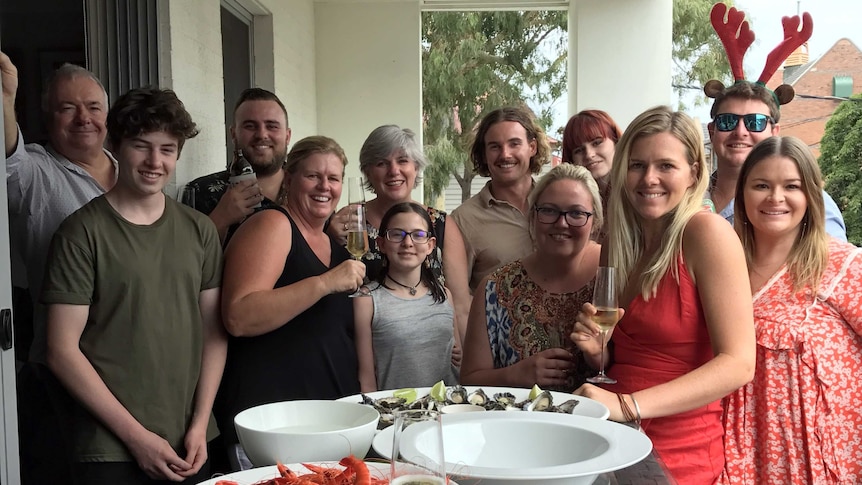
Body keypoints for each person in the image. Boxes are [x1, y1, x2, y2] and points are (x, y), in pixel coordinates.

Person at [42, 86, 226, 484]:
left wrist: (200, 423)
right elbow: (61, 350)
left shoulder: (200, 231)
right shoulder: (80, 233)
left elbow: (213, 334)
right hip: (109, 448)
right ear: (116, 145)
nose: (155, 161)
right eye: (142, 146)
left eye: (168, 149)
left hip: (191, 443)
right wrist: (137, 438)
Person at [571, 106, 755, 484]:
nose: (649, 178)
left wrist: (627, 405)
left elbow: (738, 363)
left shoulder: (708, 235)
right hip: (613, 439)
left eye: (666, 166)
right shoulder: (618, 243)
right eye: (637, 165)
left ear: (694, 173)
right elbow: (630, 356)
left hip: (678, 452)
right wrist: (598, 351)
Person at [214, 136, 364, 470]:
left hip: (327, 427)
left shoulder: (335, 245)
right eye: (313, 176)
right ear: (289, 177)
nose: (324, 186)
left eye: (334, 178)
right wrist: (324, 283)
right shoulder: (272, 224)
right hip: (274, 428)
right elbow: (239, 316)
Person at [720, 136, 862, 484]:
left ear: (811, 196)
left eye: (792, 186)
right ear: (742, 195)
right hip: (735, 455)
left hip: (818, 459)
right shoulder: (719, 266)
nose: (775, 197)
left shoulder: (841, 264)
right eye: (762, 185)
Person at [2, 51, 118, 364]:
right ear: (47, 117)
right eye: (68, 108)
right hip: (69, 363)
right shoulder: (37, 171)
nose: (84, 118)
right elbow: (10, 167)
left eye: (93, 107)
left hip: (130, 359)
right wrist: (6, 97)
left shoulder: (133, 173)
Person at [701, 3, 846, 240]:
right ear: (712, 129)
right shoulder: (688, 195)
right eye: (728, 121)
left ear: (775, 131)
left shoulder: (808, 203)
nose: (741, 132)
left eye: (755, 122)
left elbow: (833, 269)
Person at [460, 163, 600, 392]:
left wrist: (599, 355)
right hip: (517, 425)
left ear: (595, 221)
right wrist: (514, 375)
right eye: (549, 211)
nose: (562, 223)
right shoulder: (494, 289)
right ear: (532, 216)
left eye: (576, 213)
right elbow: (469, 381)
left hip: (598, 425)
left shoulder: (615, 278)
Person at [328, 125, 471, 349]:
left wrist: (465, 364)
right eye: (381, 163)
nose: (393, 170)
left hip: (429, 353)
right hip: (357, 352)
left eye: (402, 160)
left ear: (416, 167)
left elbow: (461, 306)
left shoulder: (441, 225)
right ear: (367, 172)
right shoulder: (349, 222)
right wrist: (329, 236)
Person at [355, 202, 458, 392]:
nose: (408, 243)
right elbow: (366, 377)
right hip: (397, 413)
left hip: (446, 411)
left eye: (418, 235)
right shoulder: (366, 300)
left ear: (430, 245)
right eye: (397, 234)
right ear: (381, 244)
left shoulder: (445, 295)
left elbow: (457, 356)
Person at [451, 106, 551, 291]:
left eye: (514, 144)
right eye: (495, 146)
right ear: (483, 154)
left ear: (532, 147)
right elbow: (459, 301)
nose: (505, 154)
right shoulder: (462, 221)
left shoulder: (556, 205)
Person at [183, 87, 289, 243]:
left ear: (287, 136)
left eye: (272, 126)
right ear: (233, 134)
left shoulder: (309, 189)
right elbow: (183, 262)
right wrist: (220, 219)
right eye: (250, 126)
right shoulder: (199, 192)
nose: (261, 134)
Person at [561, 109, 622, 241]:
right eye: (578, 150)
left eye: (597, 142)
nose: (589, 154)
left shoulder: (636, 193)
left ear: (616, 142)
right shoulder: (567, 202)